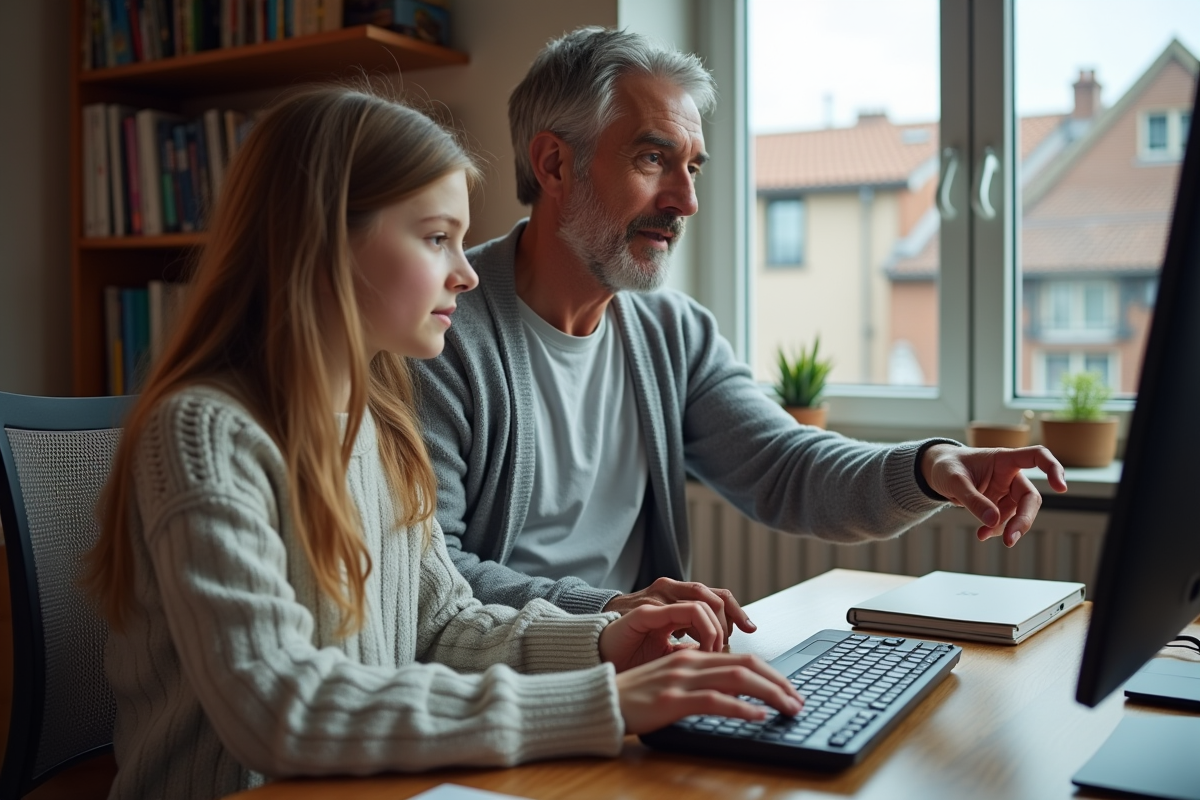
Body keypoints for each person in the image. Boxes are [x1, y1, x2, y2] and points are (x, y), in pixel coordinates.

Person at [82, 84, 803, 800]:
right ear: (325, 240)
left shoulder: (383, 425)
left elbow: (445, 624)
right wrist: (604, 707)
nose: (465, 271)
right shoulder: (206, 433)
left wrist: (606, 641)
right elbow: (283, 709)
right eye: (436, 238)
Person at [412, 27, 1068, 636]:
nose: (685, 201)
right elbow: (434, 579)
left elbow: (787, 468)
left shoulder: (675, 334)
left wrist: (928, 466)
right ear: (554, 165)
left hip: (640, 673)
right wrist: (613, 611)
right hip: (512, 677)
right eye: (653, 158)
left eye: (692, 167)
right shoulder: (438, 335)